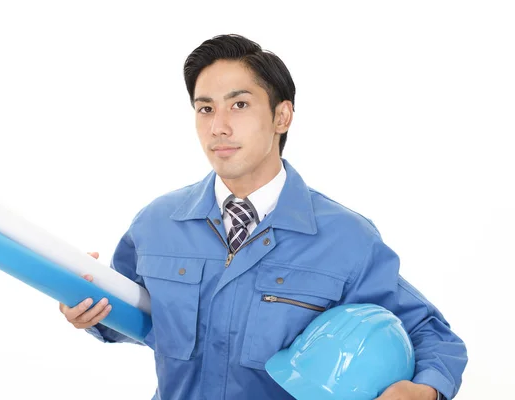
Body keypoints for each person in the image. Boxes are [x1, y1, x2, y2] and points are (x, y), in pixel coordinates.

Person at [58, 34, 467, 400]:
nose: (218, 126)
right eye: (205, 108)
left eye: (239, 105)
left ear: (281, 116)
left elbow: (431, 335)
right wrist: (89, 310)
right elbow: (137, 315)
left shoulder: (346, 239)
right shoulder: (157, 224)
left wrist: (422, 392)